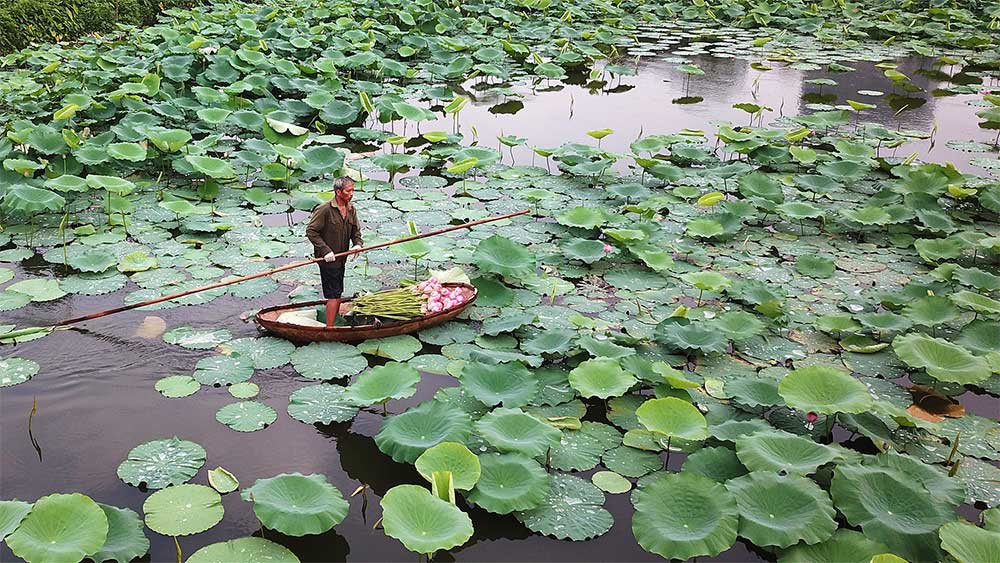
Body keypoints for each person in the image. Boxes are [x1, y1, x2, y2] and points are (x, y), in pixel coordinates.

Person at [306, 177, 363, 327]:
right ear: (338, 192)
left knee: (338, 289)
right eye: (348, 191)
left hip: (341, 258)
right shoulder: (324, 210)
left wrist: (357, 244)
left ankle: (334, 317)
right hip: (328, 260)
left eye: (352, 190)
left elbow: (355, 230)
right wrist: (325, 251)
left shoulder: (351, 209)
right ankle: (330, 328)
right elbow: (311, 231)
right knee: (334, 293)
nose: (351, 194)